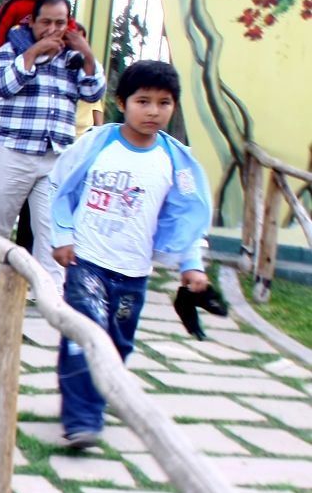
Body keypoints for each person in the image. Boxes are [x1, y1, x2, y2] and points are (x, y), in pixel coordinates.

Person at [49, 60, 212, 449]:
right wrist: (62, 235)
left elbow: (185, 216)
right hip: (87, 262)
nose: (153, 111)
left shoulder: (176, 161)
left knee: (118, 344)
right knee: (85, 336)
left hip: (133, 273)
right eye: (143, 101)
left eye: (164, 103)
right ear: (122, 103)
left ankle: (97, 395)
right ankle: (81, 419)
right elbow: (62, 188)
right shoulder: (98, 144)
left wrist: (192, 264)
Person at [0, 0, 105, 290]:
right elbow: (2, 86)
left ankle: (48, 290)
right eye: (46, 22)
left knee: (51, 227)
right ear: (32, 21)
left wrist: (88, 55)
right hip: (12, 151)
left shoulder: (72, 57)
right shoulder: (10, 50)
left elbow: (93, 93)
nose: (52, 29)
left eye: (60, 22)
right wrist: (33, 54)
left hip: (55, 155)